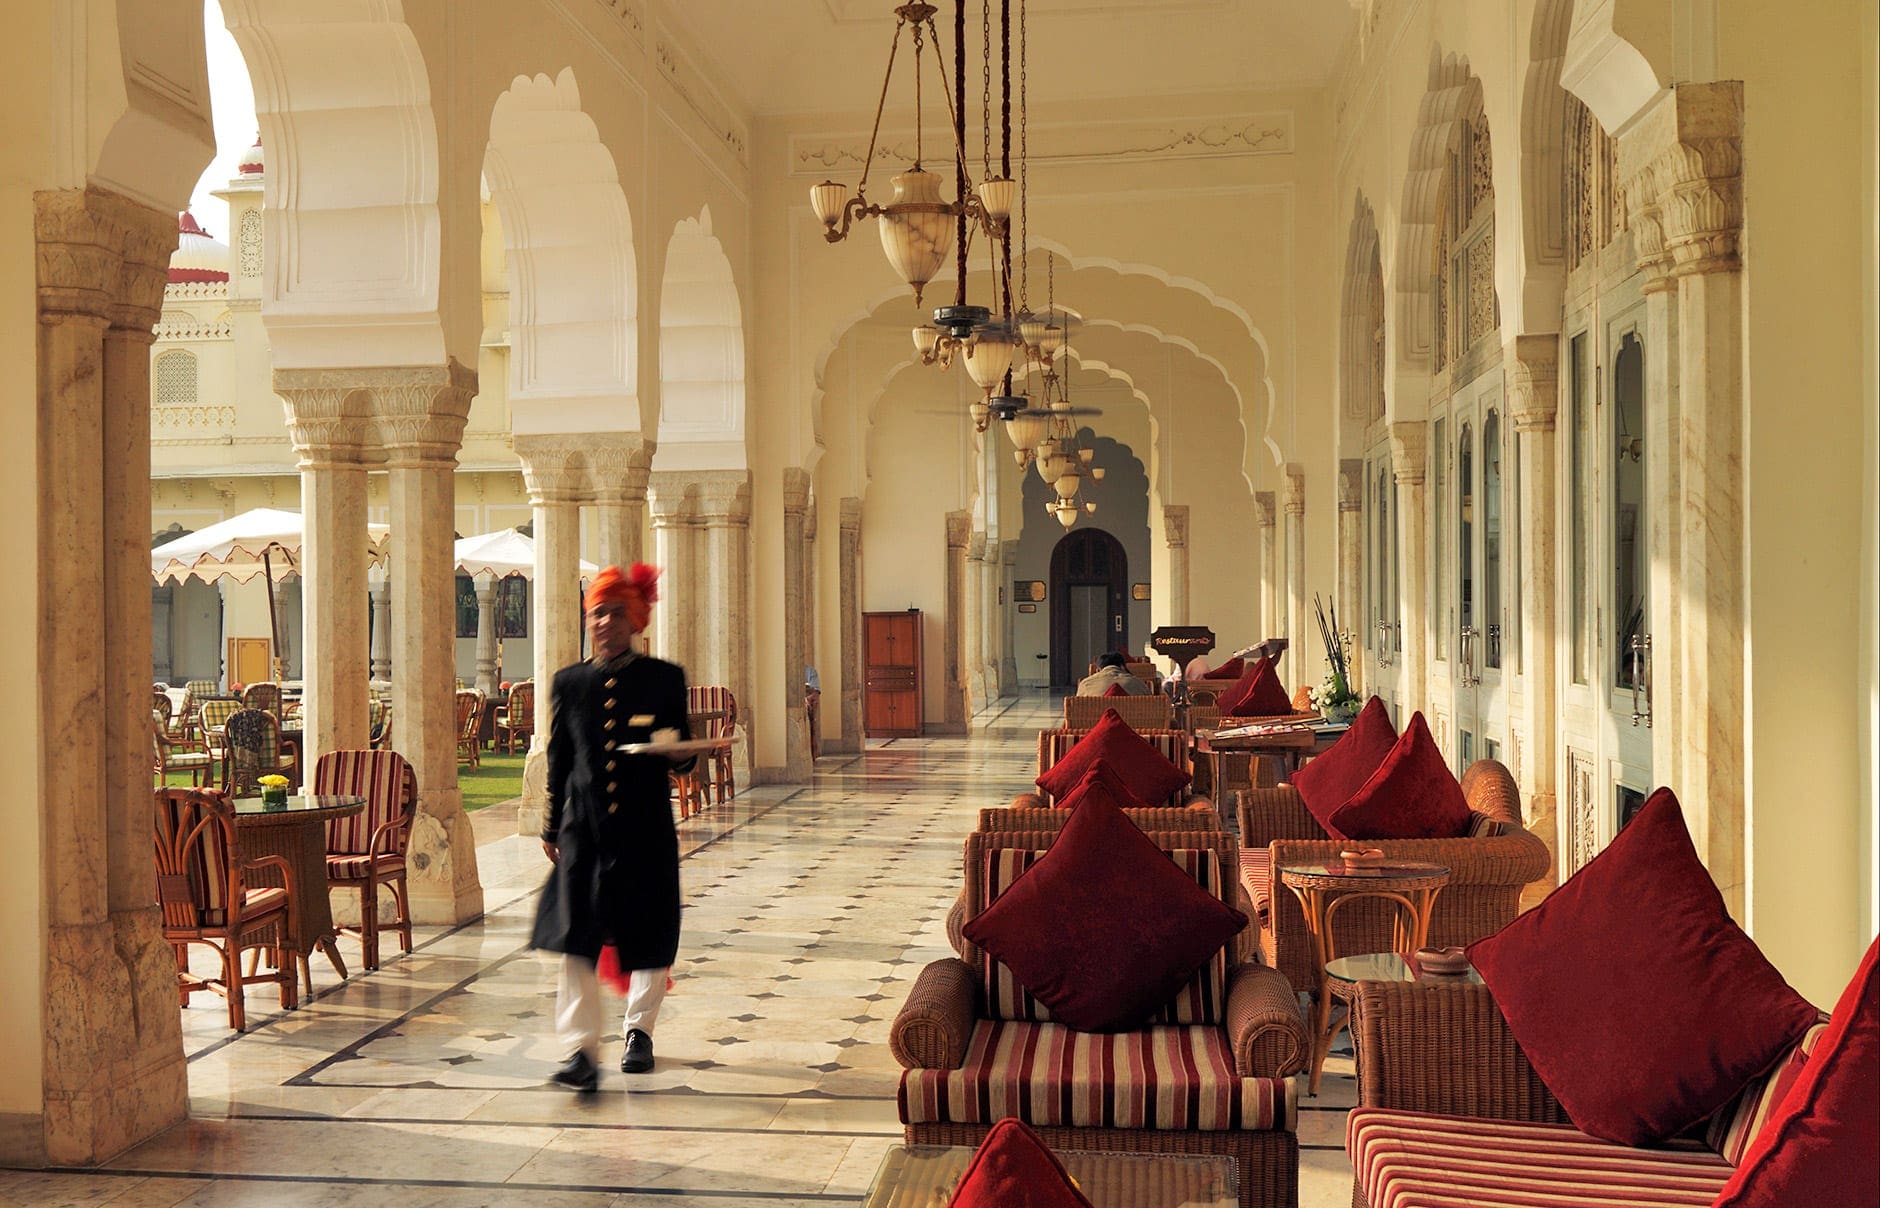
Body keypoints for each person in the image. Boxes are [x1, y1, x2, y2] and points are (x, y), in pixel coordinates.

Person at [531, 563, 695, 1092]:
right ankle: (579, 1051)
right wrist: (552, 824)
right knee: (575, 937)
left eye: (616, 612)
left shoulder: (664, 679)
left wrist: (681, 756)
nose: (605, 621)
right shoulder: (570, 683)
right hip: (585, 832)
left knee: (649, 931)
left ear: (636, 619)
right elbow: (559, 758)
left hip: (645, 829)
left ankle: (638, 1033)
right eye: (597, 612)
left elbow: (682, 752)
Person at [1076, 651, 1151, 696]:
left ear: (1098, 670)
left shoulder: (1086, 684)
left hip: (1095, 722)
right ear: (1122, 667)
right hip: (1134, 721)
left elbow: (1077, 708)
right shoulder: (1137, 683)